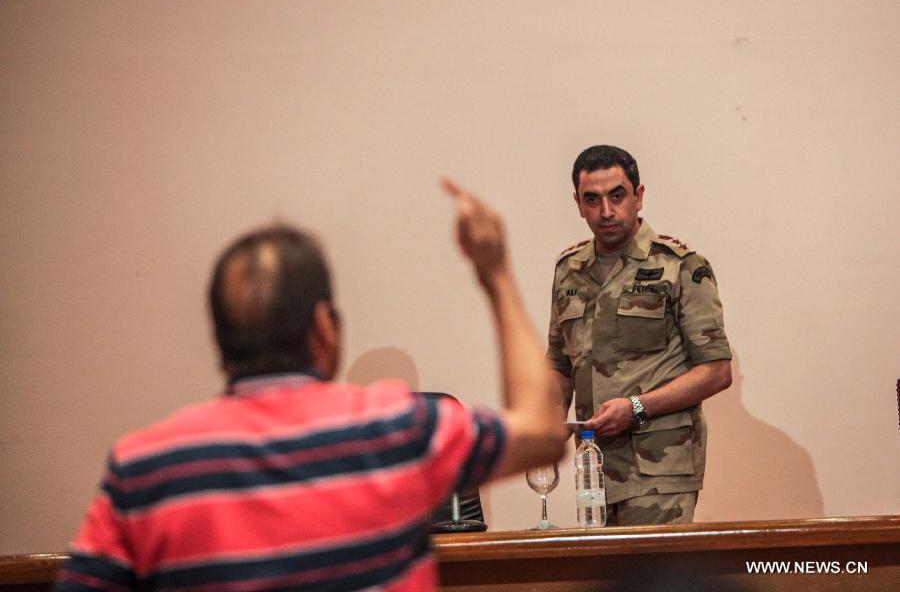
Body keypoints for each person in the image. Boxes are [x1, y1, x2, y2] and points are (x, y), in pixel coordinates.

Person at [55, 179, 568, 591]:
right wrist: (495, 272)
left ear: (219, 340)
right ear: (325, 329)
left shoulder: (141, 468)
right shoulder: (398, 431)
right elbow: (544, 431)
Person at [547, 145, 732, 526]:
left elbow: (716, 370)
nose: (606, 211)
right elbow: (559, 364)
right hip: (593, 471)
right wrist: (548, 425)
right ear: (578, 204)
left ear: (639, 196)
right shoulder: (569, 270)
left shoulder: (679, 265)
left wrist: (635, 408)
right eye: (592, 200)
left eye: (617, 196)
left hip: (658, 470)